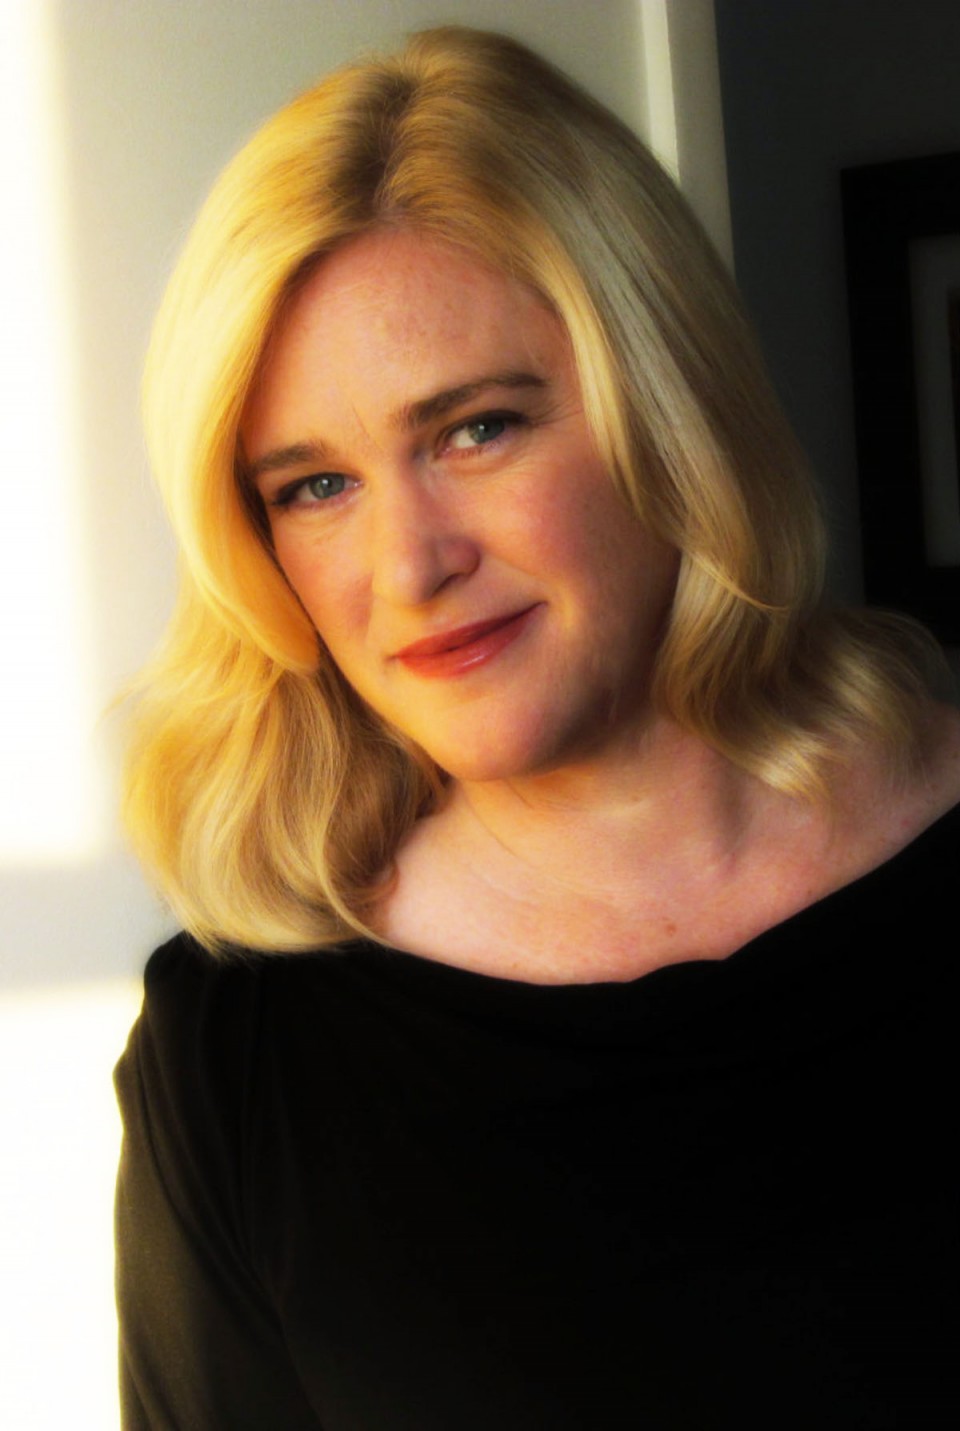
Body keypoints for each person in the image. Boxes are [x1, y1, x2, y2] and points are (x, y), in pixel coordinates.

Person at [114, 26, 959, 1429]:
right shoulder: (243, 1062)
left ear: (666, 403)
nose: (408, 567)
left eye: (476, 429)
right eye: (316, 487)